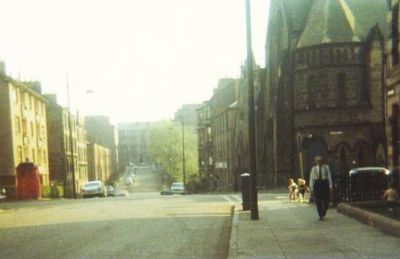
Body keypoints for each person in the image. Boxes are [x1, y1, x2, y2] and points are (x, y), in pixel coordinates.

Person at [309, 155, 333, 220]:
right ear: (316, 162)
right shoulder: (314, 168)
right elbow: (311, 178)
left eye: (320, 161)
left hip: (324, 183)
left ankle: (324, 211)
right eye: (317, 161)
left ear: (322, 161)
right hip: (317, 184)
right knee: (318, 200)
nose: (319, 162)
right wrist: (311, 188)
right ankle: (320, 215)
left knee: (326, 200)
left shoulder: (326, 167)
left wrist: (330, 185)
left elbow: (329, 176)